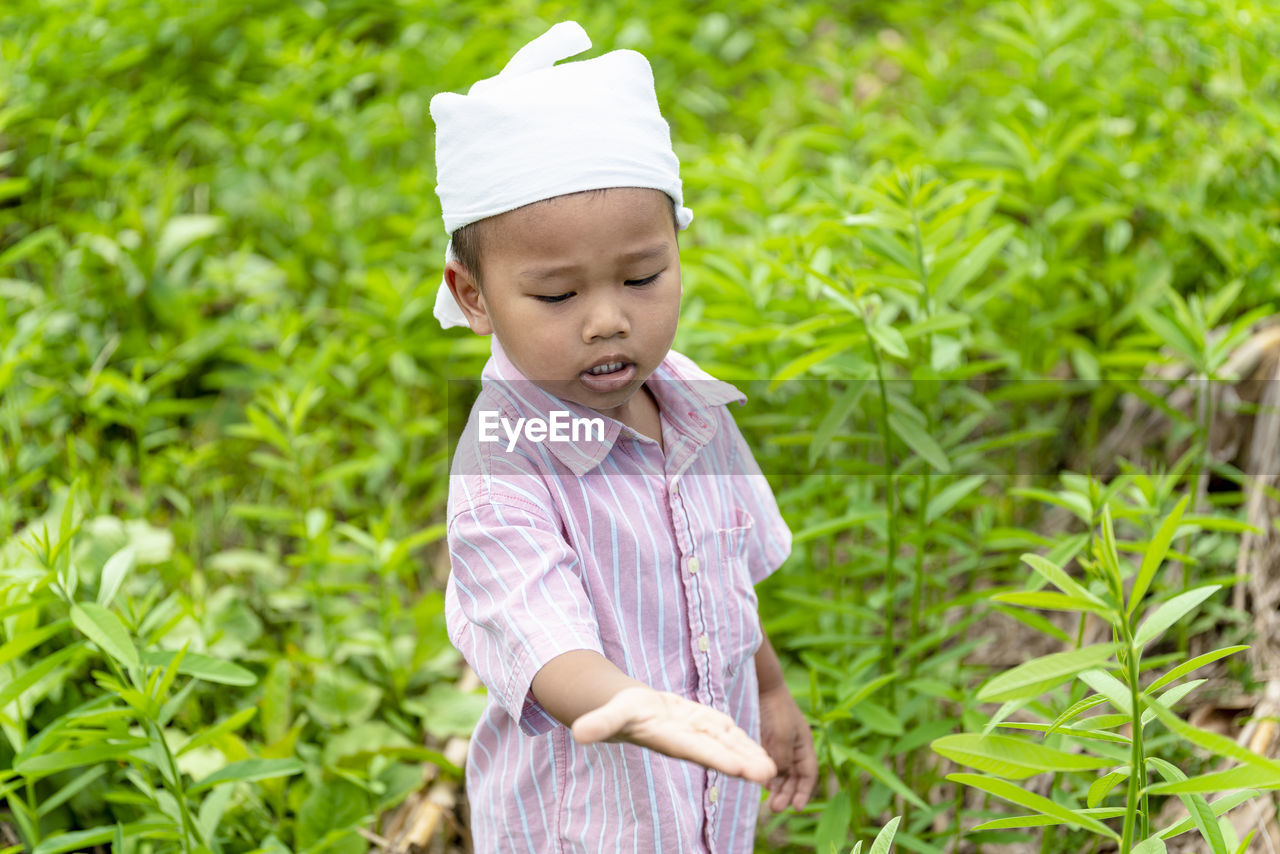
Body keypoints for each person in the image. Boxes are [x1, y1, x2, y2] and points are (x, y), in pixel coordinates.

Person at [431, 21, 817, 852]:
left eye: (642, 277)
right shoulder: (503, 472)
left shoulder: (690, 405)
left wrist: (771, 690)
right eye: (557, 296)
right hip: (588, 825)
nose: (608, 320)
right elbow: (546, 643)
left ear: (679, 247)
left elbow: (723, 576)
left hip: (704, 797)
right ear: (474, 296)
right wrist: (633, 706)